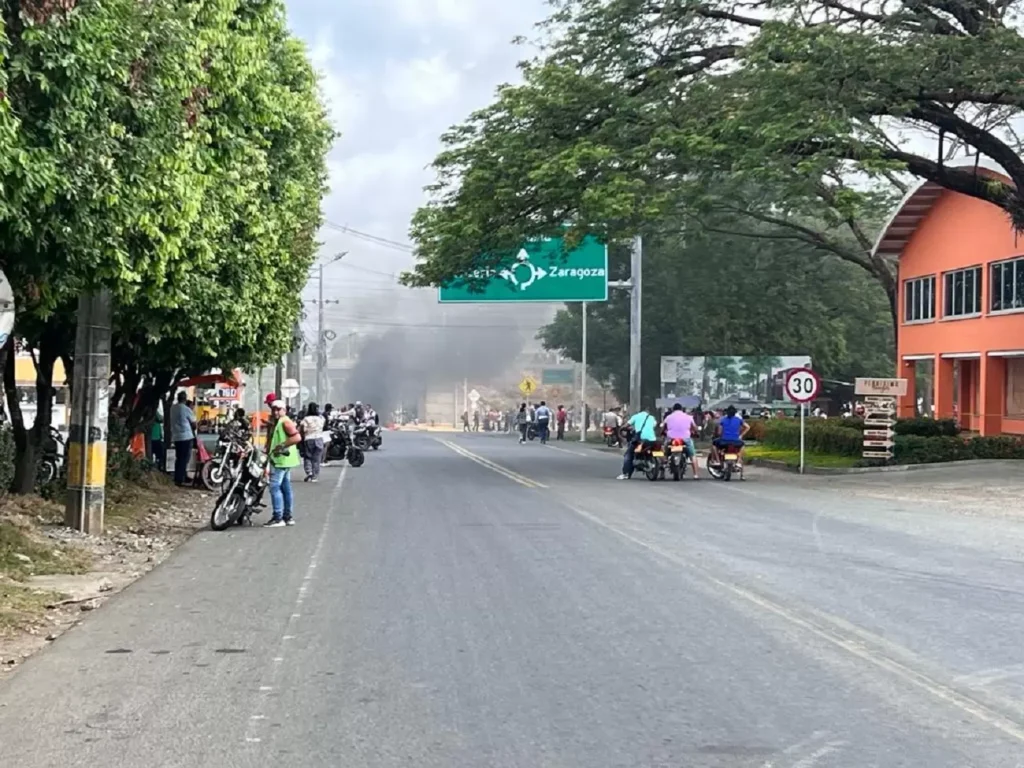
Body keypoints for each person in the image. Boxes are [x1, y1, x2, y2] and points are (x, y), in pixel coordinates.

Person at [265, 400, 301, 527]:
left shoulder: (285, 422)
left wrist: (281, 446)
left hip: (280, 460)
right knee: (286, 488)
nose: (275, 412)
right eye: (273, 409)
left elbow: (297, 437)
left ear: (284, 410)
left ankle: (278, 517)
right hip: (283, 460)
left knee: (274, 487)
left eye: (278, 409)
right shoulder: (279, 422)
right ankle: (287, 516)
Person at [618, 405, 657, 480]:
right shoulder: (651, 417)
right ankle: (661, 473)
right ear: (647, 410)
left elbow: (627, 425)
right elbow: (654, 425)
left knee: (628, 455)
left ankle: (626, 473)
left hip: (641, 439)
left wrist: (622, 428)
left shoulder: (636, 416)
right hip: (652, 439)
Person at [662, 404, 700, 478]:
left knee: (664, 454)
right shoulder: (689, 417)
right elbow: (694, 428)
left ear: (673, 409)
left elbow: (663, 427)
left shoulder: (668, 417)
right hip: (685, 438)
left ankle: (662, 472)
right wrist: (695, 431)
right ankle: (696, 474)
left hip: (671, 438)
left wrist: (663, 432)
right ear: (682, 409)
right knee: (692, 455)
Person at [169, 391, 196, 486]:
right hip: (186, 436)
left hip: (176, 436)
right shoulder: (185, 409)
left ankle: (179, 477)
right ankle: (180, 479)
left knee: (179, 458)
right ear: (185, 399)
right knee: (184, 458)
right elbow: (194, 423)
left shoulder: (173, 408)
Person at [299, 402, 326, 482]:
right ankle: (315, 476)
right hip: (319, 439)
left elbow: (302, 429)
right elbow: (323, 424)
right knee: (316, 459)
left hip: (309, 439)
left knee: (308, 457)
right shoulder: (321, 418)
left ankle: (309, 472)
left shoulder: (306, 419)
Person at [150, 400, 165, 472]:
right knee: (159, 454)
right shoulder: (154, 411)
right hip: (155, 436)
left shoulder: (149, 410)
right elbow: (161, 419)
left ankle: (155, 465)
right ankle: (158, 467)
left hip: (153, 436)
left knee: (153, 453)